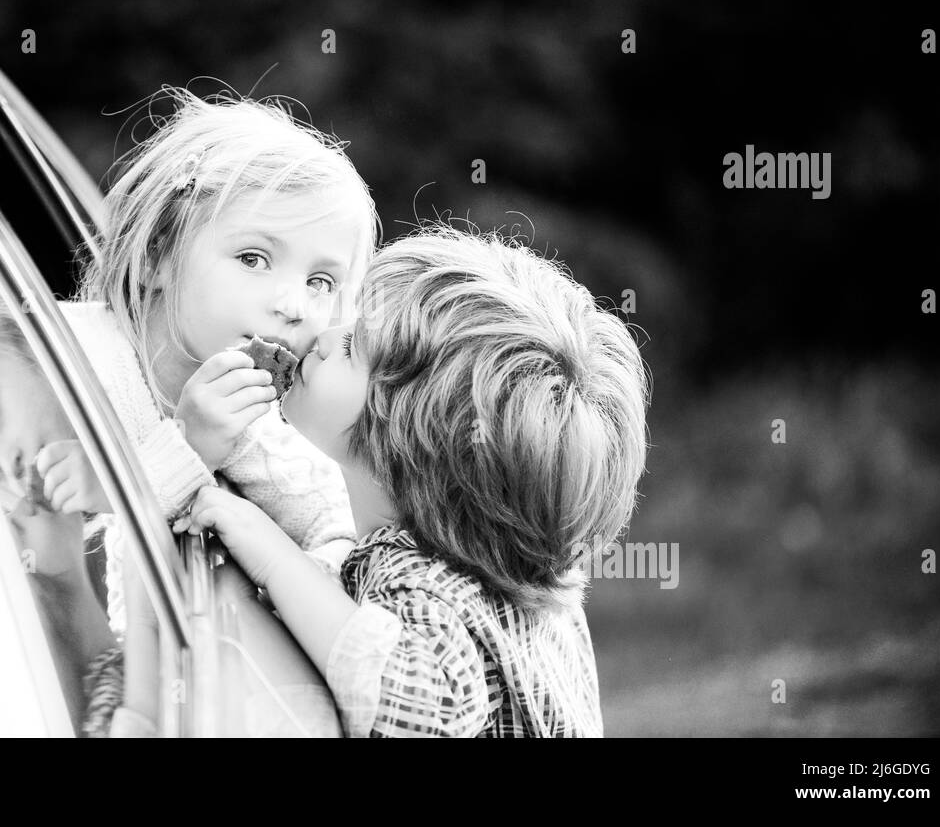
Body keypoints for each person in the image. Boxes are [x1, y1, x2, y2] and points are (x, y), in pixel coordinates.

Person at [175, 226, 651, 736]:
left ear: (408, 438)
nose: (327, 336)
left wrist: (272, 558)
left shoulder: (422, 585)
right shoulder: (519, 581)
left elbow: (417, 711)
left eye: (354, 347)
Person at [60, 86, 379, 630]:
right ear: (158, 256)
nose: (294, 305)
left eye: (321, 281)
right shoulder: (65, 354)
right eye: (254, 258)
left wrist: (275, 570)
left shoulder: (269, 432)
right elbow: (64, 544)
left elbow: (340, 556)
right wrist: (189, 448)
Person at [0, 261, 126, 736]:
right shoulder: (92, 543)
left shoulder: (158, 405)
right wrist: (65, 578)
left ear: (35, 345)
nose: (12, 466)